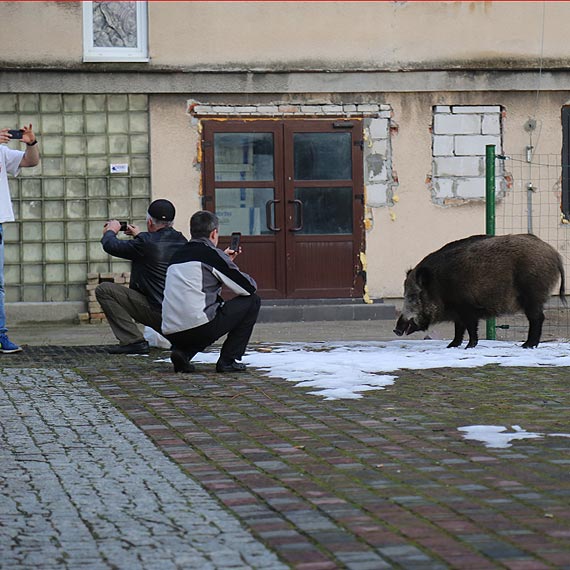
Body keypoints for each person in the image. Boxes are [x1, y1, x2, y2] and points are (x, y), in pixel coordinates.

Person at [161, 210, 261, 373]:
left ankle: (183, 353)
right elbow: (248, 288)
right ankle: (229, 360)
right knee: (252, 301)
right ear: (214, 233)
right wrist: (228, 264)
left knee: (201, 314)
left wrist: (224, 260)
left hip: (170, 330)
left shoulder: (177, 255)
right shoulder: (212, 255)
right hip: (198, 327)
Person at [96, 199, 187, 354]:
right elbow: (154, 246)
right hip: (181, 318)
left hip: (159, 314)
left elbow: (111, 246)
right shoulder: (182, 240)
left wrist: (111, 231)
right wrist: (139, 236)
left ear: (150, 222)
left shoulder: (145, 243)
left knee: (104, 290)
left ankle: (133, 341)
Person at [0, 125, 40, 353]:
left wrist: (31, 143)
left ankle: (0, 335)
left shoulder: (2, 151)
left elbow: (30, 161)